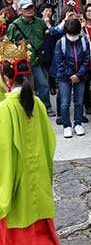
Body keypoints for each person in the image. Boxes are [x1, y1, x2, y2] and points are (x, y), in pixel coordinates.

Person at [0, 53, 59, 245]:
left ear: (6, 79)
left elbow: (4, 151)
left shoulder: (5, 108)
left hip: (17, 185)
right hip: (38, 179)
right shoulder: (38, 104)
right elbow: (49, 143)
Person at [7, 0, 55, 116]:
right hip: (22, 61)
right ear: (20, 11)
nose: (29, 10)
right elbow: (9, 44)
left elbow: (48, 35)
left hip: (38, 59)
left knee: (43, 84)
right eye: (26, 8)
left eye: (31, 7)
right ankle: (26, 109)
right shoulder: (14, 25)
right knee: (25, 86)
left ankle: (46, 107)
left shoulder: (40, 22)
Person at [55, 19, 90, 138]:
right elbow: (59, 62)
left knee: (79, 101)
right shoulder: (61, 43)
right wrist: (70, 75)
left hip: (81, 76)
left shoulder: (84, 41)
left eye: (74, 34)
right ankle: (67, 126)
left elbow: (86, 59)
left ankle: (78, 123)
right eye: (70, 34)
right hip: (65, 77)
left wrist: (79, 75)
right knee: (65, 103)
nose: (73, 37)